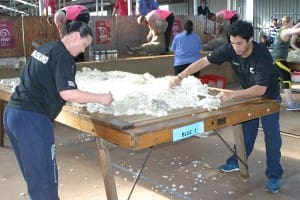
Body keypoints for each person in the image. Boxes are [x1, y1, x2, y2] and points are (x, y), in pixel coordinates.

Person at [3, 21, 113, 200]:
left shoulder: (45, 48)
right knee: (45, 180)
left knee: (35, 177)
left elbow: (41, 80)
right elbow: (67, 92)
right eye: (84, 45)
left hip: (13, 114)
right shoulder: (64, 56)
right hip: (33, 121)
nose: (83, 51)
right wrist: (101, 98)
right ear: (76, 36)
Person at [169, 20, 283, 194]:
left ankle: (274, 175)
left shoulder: (262, 55)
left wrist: (232, 94)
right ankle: (236, 161)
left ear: (250, 39)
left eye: (239, 43)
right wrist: (181, 76)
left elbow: (261, 89)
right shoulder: (230, 48)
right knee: (246, 133)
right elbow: (203, 62)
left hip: (269, 97)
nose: (235, 47)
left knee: (272, 137)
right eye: (233, 42)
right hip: (248, 93)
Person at [271, 16, 300, 111]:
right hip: (279, 60)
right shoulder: (285, 31)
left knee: (274, 80)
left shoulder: (282, 30)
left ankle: (272, 99)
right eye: (291, 23)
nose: (292, 24)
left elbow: (293, 29)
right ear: (286, 23)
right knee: (286, 79)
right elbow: (293, 31)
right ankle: (290, 104)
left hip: (276, 59)